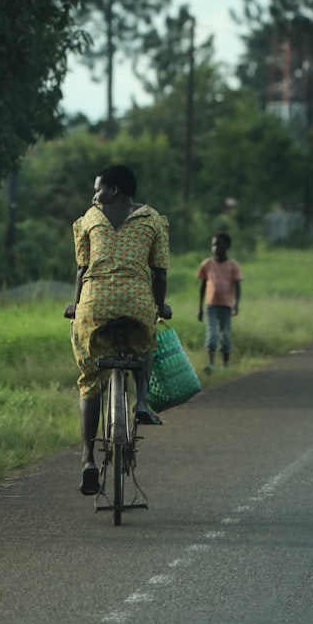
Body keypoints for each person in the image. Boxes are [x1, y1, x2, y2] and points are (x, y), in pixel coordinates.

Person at [65, 164, 171, 496]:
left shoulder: (89, 219)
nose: (94, 195)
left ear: (113, 190)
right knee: (147, 339)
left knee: (89, 380)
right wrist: (158, 305)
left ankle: (86, 458)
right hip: (138, 301)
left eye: (98, 189)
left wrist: (77, 304)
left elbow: (83, 269)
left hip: (96, 304)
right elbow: (160, 273)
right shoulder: (154, 220)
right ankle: (141, 400)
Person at [197, 232, 243, 371]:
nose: (216, 247)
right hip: (211, 305)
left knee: (226, 335)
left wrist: (236, 303)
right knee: (212, 334)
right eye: (214, 244)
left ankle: (225, 365)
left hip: (227, 305)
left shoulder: (233, 265)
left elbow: (238, 285)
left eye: (219, 244)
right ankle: (211, 364)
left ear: (227, 246)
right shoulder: (207, 264)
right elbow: (203, 286)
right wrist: (200, 308)